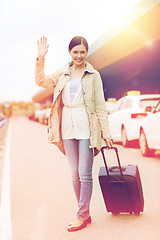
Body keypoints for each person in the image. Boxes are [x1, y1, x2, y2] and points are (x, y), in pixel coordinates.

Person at [35, 36, 113, 232]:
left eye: (82, 52)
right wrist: (41, 59)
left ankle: (80, 215)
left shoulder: (93, 74)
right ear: (70, 53)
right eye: (75, 51)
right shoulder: (62, 73)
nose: (79, 55)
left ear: (86, 53)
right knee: (74, 174)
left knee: (85, 174)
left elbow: (100, 106)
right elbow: (41, 81)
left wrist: (106, 132)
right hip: (67, 127)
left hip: (87, 126)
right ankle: (84, 213)